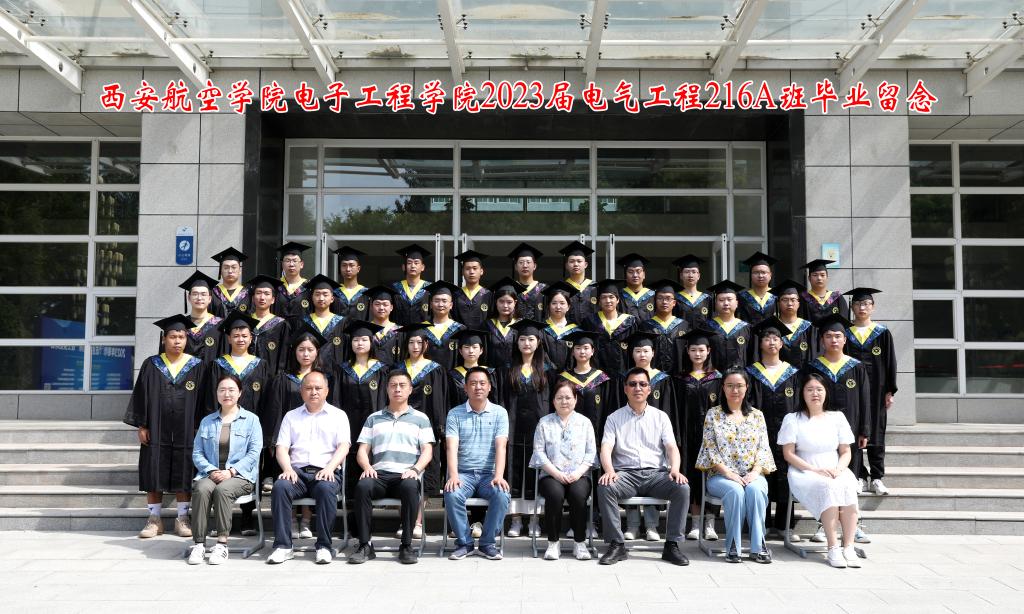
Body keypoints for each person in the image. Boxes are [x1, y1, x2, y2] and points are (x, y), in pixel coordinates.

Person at [596, 367, 690, 566]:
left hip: (656, 475)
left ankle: (672, 545)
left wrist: (675, 469)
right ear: (625, 389)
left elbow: (671, 447)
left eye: (642, 384)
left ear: (649, 389)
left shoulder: (660, 417)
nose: (637, 388)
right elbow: (606, 448)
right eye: (632, 384)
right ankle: (617, 544)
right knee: (605, 487)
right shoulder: (614, 418)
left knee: (682, 488)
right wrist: (609, 471)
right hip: (626, 476)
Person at [125, 314, 206, 539]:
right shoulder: (151, 364)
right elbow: (141, 395)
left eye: (181, 337)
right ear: (164, 339)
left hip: (187, 429)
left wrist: (200, 427)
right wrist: (142, 425)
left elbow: (203, 400)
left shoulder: (197, 366)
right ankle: (154, 520)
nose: (177, 341)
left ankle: (183, 518)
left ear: (187, 339)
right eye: (172, 337)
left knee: (185, 469)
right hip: (156, 427)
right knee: (153, 469)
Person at [348, 370, 435, 565]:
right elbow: (362, 450)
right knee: (362, 487)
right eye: (393, 385)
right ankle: (365, 544)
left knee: (411, 487)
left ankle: (406, 545)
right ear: (386, 389)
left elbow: (427, 451)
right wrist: (367, 466)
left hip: (405, 474)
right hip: (378, 474)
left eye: (402, 385)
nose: (397, 389)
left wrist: (415, 470)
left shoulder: (421, 418)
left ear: (410, 389)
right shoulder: (374, 418)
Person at [778, 373, 863, 568]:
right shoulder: (793, 419)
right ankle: (833, 547)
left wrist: (839, 469)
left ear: (826, 392)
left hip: (835, 468)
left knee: (848, 485)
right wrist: (814, 469)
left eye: (819, 389)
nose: (814, 393)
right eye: (809, 389)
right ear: (802, 393)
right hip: (804, 470)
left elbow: (846, 452)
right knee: (828, 487)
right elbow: (788, 454)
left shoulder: (837, 417)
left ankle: (848, 546)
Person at [267, 370, 350, 565]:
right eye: (309, 388)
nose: (314, 392)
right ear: (301, 391)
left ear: (327, 391)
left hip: (326, 472)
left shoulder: (338, 416)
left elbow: (344, 446)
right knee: (280, 487)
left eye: (318, 388)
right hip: (297, 473)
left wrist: (330, 468)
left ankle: (324, 546)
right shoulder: (291, 416)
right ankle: (283, 546)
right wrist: (287, 469)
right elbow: (281, 447)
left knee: (326, 489)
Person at [803, 313, 872, 544]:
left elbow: (865, 400)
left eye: (838, 336)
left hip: (849, 434)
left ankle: (854, 525)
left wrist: (864, 430)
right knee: (826, 480)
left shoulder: (856, 367)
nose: (834, 340)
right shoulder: (813, 367)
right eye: (829, 336)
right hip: (820, 434)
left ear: (845, 339)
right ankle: (824, 525)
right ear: (822, 340)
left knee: (848, 479)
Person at [696, 367, 777, 563]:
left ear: (747, 387)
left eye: (739, 385)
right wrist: (729, 473)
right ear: (723, 388)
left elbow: (763, 448)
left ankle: (759, 546)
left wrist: (755, 472)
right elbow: (710, 448)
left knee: (755, 490)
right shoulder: (713, 415)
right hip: (721, 477)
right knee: (735, 491)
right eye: (730, 385)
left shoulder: (757, 416)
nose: (735, 390)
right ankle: (733, 546)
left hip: (753, 474)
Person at [186, 373, 262, 565]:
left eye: (231, 390)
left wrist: (231, 472)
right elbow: (197, 452)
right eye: (222, 390)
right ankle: (199, 544)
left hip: (240, 476)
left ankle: (221, 544)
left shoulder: (251, 420)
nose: (226, 394)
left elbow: (254, 452)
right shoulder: (207, 421)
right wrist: (211, 470)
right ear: (217, 393)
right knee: (201, 488)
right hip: (211, 473)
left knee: (223, 490)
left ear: (240, 393)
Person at [261, 325, 325, 536]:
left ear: (317, 352)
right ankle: (289, 520)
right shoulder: (282, 378)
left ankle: (305, 520)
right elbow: (274, 409)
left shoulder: (322, 379)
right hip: (287, 437)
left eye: (310, 350)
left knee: (309, 472)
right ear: (294, 352)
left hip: (315, 436)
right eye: (301, 349)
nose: (305, 354)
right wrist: (273, 440)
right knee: (288, 476)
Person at [443, 367, 512, 560]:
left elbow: (501, 447)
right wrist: (453, 476)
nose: (478, 387)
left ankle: (487, 543)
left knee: (502, 494)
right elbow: (451, 447)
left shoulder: (500, 413)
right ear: (465, 388)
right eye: (473, 383)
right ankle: (464, 543)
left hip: (488, 475)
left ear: (489, 387)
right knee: (452, 493)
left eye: (482, 383)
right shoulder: (455, 414)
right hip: (463, 474)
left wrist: (499, 476)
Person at [497, 319, 554, 539]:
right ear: (517, 342)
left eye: (531, 339)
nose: (526, 343)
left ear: (538, 342)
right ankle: (516, 519)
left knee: (535, 473)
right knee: (514, 472)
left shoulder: (548, 371)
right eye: (522, 339)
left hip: (538, 430)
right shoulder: (507, 370)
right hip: (513, 429)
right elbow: (502, 400)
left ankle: (534, 520)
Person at [746, 317, 802, 541]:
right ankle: (761, 523)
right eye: (767, 338)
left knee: (786, 476)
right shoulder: (751, 373)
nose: (771, 342)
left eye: (776, 338)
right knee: (761, 475)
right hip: (758, 435)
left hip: (786, 435)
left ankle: (785, 525)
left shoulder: (792, 373)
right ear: (760, 343)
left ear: (781, 343)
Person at [619, 331, 676, 542]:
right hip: (629, 432)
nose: (642, 354)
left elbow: (669, 408)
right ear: (631, 354)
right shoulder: (627, 379)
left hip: (655, 435)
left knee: (654, 469)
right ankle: (633, 525)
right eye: (637, 351)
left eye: (645, 350)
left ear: (653, 353)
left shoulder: (663, 379)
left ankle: (652, 525)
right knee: (630, 465)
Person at [530, 379, 596, 561]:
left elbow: (591, 453)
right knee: (554, 495)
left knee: (578, 495)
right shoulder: (544, 423)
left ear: (575, 399)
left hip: (579, 475)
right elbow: (539, 452)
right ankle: (553, 543)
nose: (564, 401)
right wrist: (556, 474)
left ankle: (580, 543)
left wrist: (578, 473)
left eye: (568, 397)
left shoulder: (585, 423)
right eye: (559, 398)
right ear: (553, 401)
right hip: (551, 475)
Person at [844, 288, 898, 496]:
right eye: (858, 304)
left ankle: (877, 477)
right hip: (852, 391)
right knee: (853, 431)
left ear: (873, 307)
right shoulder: (845, 333)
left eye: (866, 304)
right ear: (852, 307)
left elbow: (890, 362)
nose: (862, 307)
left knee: (876, 432)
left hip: (877, 391)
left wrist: (890, 391)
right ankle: (859, 476)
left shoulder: (882, 333)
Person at [331, 319, 389, 502]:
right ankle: (349, 505)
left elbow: (385, 399)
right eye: (356, 340)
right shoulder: (342, 369)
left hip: (373, 425)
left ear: (371, 342)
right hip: (348, 424)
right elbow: (336, 399)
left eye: (364, 340)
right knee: (349, 458)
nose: (359, 343)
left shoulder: (382, 369)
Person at [397, 324, 449, 510]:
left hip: (428, 426)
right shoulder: (398, 368)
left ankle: (418, 519)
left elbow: (440, 400)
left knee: (426, 472)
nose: (415, 346)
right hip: (401, 426)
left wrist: (440, 426)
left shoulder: (435, 369)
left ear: (426, 345)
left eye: (419, 342)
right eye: (411, 342)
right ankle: (405, 517)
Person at [679, 328, 722, 541]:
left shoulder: (718, 378)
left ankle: (710, 523)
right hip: (688, 434)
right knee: (692, 475)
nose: (697, 354)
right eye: (694, 350)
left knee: (712, 473)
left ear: (708, 351)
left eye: (701, 350)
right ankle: (695, 522)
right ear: (687, 351)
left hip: (712, 435)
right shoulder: (679, 379)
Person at [204, 311, 269, 417]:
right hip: (224, 420)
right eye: (236, 336)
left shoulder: (260, 365)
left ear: (250, 339)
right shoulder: (218, 365)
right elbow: (211, 398)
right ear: (229, 339)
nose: (240, 339)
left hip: (252, 421)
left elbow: (265, 399)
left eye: (244, 336)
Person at [556, 330, 612, 438]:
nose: (582, 352)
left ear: (592, 351)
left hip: (596, 434)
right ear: (573, 352)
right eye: (578, 348)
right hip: (569, 434)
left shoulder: (601, 378)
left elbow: (607, 408)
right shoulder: (564, 379)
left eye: (586, 348)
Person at [584, 279, 638, 376]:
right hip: (598, 375)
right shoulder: (590, 322)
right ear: (599, 301)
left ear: (618, 300)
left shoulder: (629, 322)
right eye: (603, 297)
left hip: (623, 374)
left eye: (611, 297)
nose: (608, 301)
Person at [640, 279, 689, 375]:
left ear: (674, 303)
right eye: (660, 298)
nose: (664, 302)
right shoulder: (646, 326)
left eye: (668, 298)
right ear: (655, 301)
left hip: (678, 377)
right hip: (653, 377)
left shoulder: (684, 326)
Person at [302, 274, 346, 374]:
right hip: (310, 374)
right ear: (312, 298)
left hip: (335, 374)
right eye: (317, 294)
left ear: (332, 299)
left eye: (325, 295)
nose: (321, 298)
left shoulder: (342, 322)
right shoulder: (304, 321)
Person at [247, 275, 290, 375]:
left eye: (267, 294)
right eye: (258, 293)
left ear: (273, 299)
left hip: (270, 378)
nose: (262, 297)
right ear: (253, 298)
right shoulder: (246, 322)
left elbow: (284, 357)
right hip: (246, 377)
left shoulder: (281, 325)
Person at [705, 279, 753, 369]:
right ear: (715, 303)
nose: (726, 303)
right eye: (721, 300)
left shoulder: (747, 328)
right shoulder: (707, 327)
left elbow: (751, 357)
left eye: (729, 299)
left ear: (737, 303)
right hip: (714, 376)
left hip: (739, 376)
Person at [420, 280, 466, 370]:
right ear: (431, 305)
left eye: (444, 301)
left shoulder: (460, 329)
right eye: (436, 301)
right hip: (429, 377)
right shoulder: (422, 328)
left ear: (451, 305)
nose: (440, 304)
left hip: (452, 377)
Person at [177, 271, 222, 364]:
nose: (199, 298)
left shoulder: (220, 325)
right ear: (189, 298)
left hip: (212, 373)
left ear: (210, 299)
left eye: (203, 294)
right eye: (195, 294)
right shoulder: (182, 325)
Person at [772, 279, 817, 370]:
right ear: (778, 303)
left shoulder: (809, 328)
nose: (789, 303)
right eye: (785, 300)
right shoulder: (772, 327)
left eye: (793, 300)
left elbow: (815, 356)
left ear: (798, 304)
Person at [448, 328, 497, 407]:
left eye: (475, 347)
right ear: (460, 351)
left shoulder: (489, 373)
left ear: (481, 350)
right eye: (466, 347)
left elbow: (495, 399)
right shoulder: (453, 375)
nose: (471, 351)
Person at [484, 277, 523, 370]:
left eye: (509, 302)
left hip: (515, 373)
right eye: (501, 301)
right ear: (496, 302)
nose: (505, 306)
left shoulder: (521, 325)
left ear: (515, 303)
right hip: (492, 373)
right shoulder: (487, 325)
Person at [539, 281, 579, 372]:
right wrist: (551, 371)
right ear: (548, 305)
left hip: (569, 376)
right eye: (554, 303)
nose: (558, 307)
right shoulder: (541, 329)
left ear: (568, 306)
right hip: (546, 375)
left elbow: (576, 357)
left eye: (562, 303)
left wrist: (566, 375)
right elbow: (540, 355)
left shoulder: (575, 331)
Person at [390, 243, 433, 326]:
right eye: (409, 263)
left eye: (416, 263)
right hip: (400, 333)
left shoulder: (430, 289)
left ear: (422, 267)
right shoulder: (395, 288)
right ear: (404, 267)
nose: (413, 266)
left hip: (422, 333)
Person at [273, 241, 311, 329]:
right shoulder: (275, 286)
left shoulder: (309, 287)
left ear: (301, 264)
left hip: (302, 333)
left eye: (295, 260)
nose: (291, 264)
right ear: (282, 264)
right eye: (287, 260)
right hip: (278, 332)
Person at [800, 259, 849, 324]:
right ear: (809, 278)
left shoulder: (837, 298)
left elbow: (844, 322)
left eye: (822, 275)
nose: (819, 278)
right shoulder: (803, 299)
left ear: (827, 277)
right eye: (815, 275)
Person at [737, 251, 778, 326]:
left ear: (770, 275)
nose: (760, 276)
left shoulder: (777, 296)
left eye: (763, 272)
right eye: (756, 272)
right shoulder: (742, 297)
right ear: (751, 275)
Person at [560, 240, 596, 324]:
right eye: (572, 261)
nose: (576, 264)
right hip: (568, 330)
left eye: (579, 261)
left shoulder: (595, 287)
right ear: (566, 265)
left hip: (592, 331)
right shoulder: (561, 288)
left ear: (585, 265)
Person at [364, 285, 402, 366]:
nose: (381, 307)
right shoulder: (365, 329)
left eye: (385, 304)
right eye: (377, 304)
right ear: (371, 307)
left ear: (391, 307)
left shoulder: (401, 331)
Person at [453, 250, 491, 329]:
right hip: (461, 336)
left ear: (481, 271)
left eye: (475, 268)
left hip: (482, 336)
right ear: (462, 272)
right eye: (467, 269)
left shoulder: (488, 295)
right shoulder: (456, 295)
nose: (471, 272)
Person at [672, 254, 712, 330]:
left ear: (698, 276)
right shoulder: (675, 298)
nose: (690, 275)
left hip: (702, 337)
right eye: (687, 272)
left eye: (694, 272)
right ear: (681, 276)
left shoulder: (707, 299)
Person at [509, 242, 547, 321]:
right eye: (521, 262)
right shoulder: (510, 289)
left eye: (528, 262)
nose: (525, 266)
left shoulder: (544, 289)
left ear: (534, 266)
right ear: (516, 267)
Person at [331, 245, 371, 320]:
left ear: (358, 269)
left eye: (351, 265)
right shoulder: (333, 293)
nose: (348, 269)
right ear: (340, 268)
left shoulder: (367, 294)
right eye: (344, 265)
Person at [209, 247, 250, 318]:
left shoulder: (248, 294)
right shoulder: (212, 293)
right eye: (226, 268)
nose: (230, 271)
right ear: (221, 271)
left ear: (240, 271)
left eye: (234, 267)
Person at [617, 253, 656, 322]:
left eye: (638, 271)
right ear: (625, 275)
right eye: (630, 272)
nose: (635, 275)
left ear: (644, 275)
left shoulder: (653, 296)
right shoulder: (619, 296)